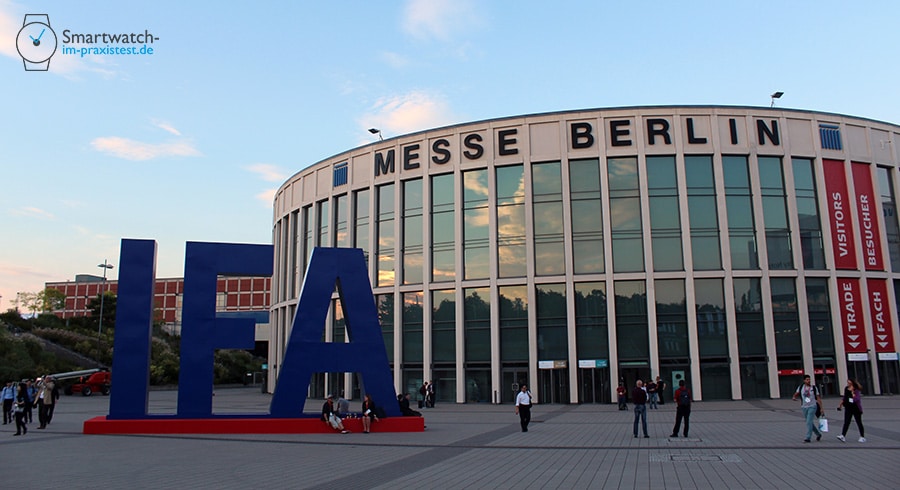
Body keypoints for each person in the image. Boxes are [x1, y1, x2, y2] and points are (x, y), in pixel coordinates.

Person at [792, 374, 824, 443]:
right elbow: (796, 393)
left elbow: (818, 398)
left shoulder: (814, 388)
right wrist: (794, 397)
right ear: (804, 380)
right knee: (809, 422)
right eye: (807, 379)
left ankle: (808, 437)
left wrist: (821, 408)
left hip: (812, 406)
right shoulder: (801, 387)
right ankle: (818, 434)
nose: (808, 381)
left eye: (809, 379)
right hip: (804, 407)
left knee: (809, 421)